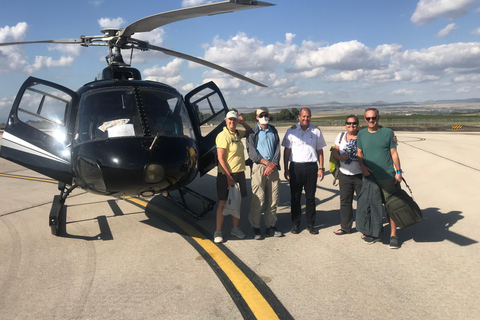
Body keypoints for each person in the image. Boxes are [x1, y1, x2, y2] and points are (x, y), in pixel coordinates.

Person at [357, 107, 403, 249]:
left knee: (391, 207)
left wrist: (399, 171)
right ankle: (373, 232)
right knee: (371, 205)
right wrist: (363, 167)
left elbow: (394, 153)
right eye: (368, 118)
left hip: (387, 176)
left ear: (378, 118)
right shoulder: (361, 134)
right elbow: (359, 153)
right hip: (370, 178)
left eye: (374, 118)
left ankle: (393, 235)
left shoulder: (387, 133)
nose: (371, 121)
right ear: (365, 119)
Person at [282, 108, 326, 235]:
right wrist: (286, 168)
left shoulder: (316, 131)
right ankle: (295, 224)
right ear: (299, 117)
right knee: (295, 197)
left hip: (311, 167)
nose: (305, 119)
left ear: (310, 117)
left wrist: (321, 167)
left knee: (310, 198)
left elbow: (320, 150)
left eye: (308, 116)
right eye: (303, 116)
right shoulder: (291, 131)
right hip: (296, 168)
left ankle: (311, 224)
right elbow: (287, 151)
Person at [214, 110, 251, 244]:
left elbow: (249, 131)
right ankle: (218, 231)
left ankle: (235, 229)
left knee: (237, 202)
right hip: (226, 174)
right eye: (230, 119)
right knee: (223, 202)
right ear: (226, 120)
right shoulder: (223, 136)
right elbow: (220, 158)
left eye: (234, 120)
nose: (232, 122)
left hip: (240, 173)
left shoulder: (237, 134)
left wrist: (243, 121)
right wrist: (229, 176)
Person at [246, 107, 283, 240]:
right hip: (259, 167)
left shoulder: (273, 130)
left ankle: (270, 226)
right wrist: (267, 163)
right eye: (261, 115)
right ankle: (255, 227)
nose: (264, 117)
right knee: (258, 198)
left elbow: (278, 148)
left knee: (273, 198)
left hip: (273, 168)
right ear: (257, 117)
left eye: (266, 114)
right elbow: (252, 153)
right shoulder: (252, 132)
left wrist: (273, 163)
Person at [331, 115, 362, 235]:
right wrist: (340, 157)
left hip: (360, 174)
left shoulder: (362, 136)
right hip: (344, 174)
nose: (351, 125)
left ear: (357, 124)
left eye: (354, 123)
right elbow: (335, 150)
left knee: (362, 201)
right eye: (349, 123)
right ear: (345, 124)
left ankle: (363, 226)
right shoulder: (340, 136)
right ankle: (345, 227)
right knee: (345, 201)